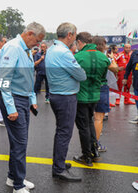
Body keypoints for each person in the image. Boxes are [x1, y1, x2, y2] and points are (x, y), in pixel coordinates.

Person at [0, 22, 45, 193]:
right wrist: (11, 108)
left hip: (23, 98)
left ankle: (13, 177)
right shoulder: (13, 47)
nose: (38, 44)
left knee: (19, 143)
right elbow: (3, 80)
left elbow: (28, 76)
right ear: (30, 33)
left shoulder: (25, 50)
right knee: (20, 143)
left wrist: (32, 97)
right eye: (37, 40)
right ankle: (18, 185)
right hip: (13, 99)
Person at [46, 23, 86, 181]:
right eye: (75, 35)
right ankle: (59, 168)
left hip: (57, 94)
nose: (75, 38)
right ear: (69, 34)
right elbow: (81, 75)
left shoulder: (52, 49)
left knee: (61, 132)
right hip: (65, 97)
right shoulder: (64, 52)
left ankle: (59, 163)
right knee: (64, 133)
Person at [72, 32, 110, 167]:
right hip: (95, 95)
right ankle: (94, 151)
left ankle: (87, 155)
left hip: (81, 95)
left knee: (83, 127)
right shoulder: (103, 57)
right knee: (89, 123)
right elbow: (106, 73)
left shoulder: (78, 56)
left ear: (80, 42)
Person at [92, 36, 118, 152]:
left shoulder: (83, 56)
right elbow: (115, 69)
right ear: (102, 45)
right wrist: (111, 59)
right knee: (98, 118)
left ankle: (87, 143)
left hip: (86, 88)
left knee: (87, 118)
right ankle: (95, 144)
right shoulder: (104, 58)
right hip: (101, 87)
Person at [123, 49, 138, 123]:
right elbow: (128, 67)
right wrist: (125, 78)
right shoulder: (134, 54)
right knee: (137, 100)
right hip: (136, 83)